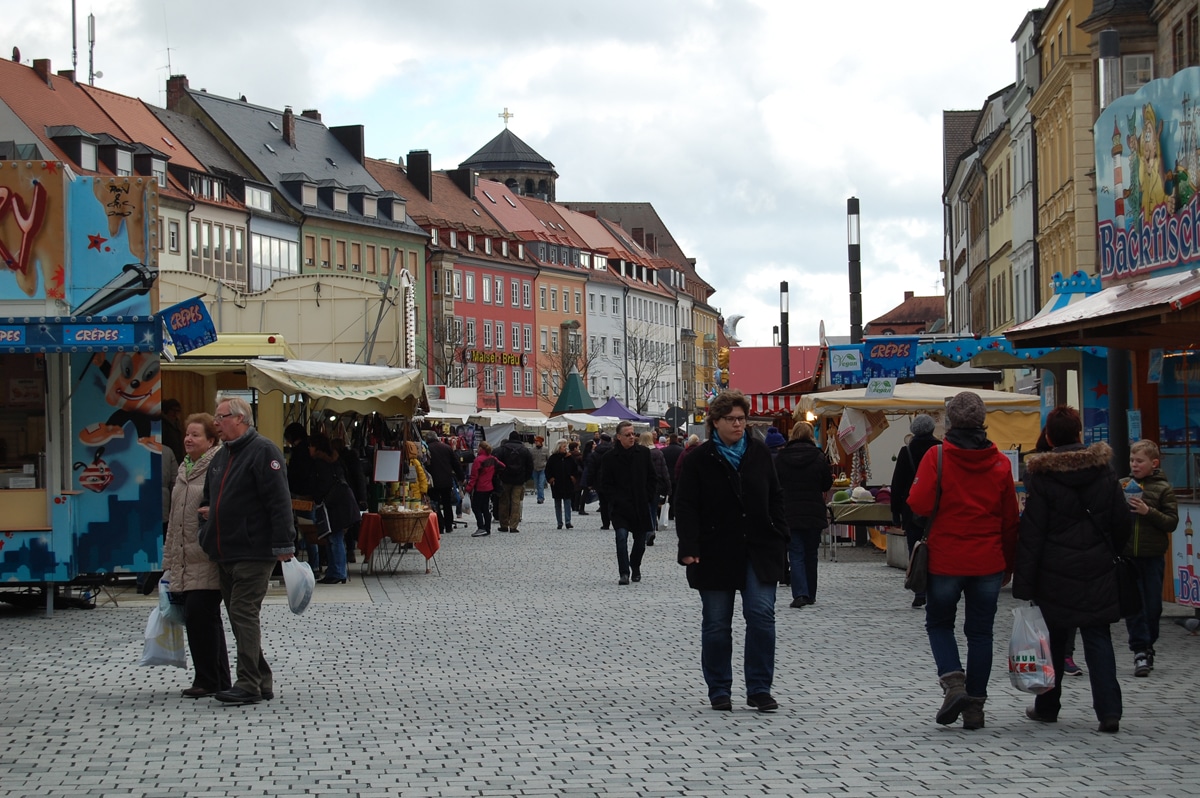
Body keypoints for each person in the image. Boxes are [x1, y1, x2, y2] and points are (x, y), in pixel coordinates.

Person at [1013, 406, 1133, 733]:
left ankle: (1048, 707)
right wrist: (1110, 550)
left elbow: (1033, 531)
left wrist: (1023, 582)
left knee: (1054, 640)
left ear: (1049, 437)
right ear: (1079, 434)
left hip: (1054, 570)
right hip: (1098, 566)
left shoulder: (1041, 476)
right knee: (1098, 637)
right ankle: (1109, 712)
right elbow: (1122, 521)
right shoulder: (1104, 471)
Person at [907, 391, 1018, 731]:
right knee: (981, 633)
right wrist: (1009, 564)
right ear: (983, 421)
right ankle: (975, 707)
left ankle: (954, 683)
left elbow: (919, 504)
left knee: (939, 623)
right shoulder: (1000, 464)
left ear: (950, 422)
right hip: (988, 560)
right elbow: (1011, 520)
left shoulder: (936, 458)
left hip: (946, 558)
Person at [676, 391, 788, 712]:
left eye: (742, 419)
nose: (738, 424)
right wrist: (689, 547)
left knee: (762, 615)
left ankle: (759, 688)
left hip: (760, 547)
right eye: (731, 419)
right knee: (716, 623)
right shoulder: (700, 459)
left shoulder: (760, 454)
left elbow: (776, 496)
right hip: (714, 551)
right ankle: (719, 688)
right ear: (715, 422)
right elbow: (685, 506)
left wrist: (781, 534)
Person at [198, 396, 295, 705]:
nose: (216, 423)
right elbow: (208, 497)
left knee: (243, 613)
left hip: (254, 551)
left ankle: (249, 683)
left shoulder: (264, 452)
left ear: (239, 419)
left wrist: (284, 545)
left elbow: (279, 502)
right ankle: (261, 679)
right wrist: (206, 527)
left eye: (221, 417)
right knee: (239, 616)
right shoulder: (221, 456)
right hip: (225, 552)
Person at [162, 412, 230, 698]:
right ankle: (216, 677)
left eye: (196, 435)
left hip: (206, 558)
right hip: (184, 559)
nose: (189, 439)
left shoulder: (217, 468)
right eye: (187, 434)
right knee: (201, 618)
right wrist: (168, 562)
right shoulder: (184, 470)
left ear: (211, 440)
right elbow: (175, 520)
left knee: (201, 617)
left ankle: (208, 679)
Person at [1122, 438, 1178, 677]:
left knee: (1153, 606)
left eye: (1140, 461)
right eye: (1132, 460)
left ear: (1153, 463)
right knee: (1133, 605)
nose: (1135, 465)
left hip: (1152, 556)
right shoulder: (1123, 485)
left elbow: (1172, 522)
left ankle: (1149, 644)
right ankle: (1139, 651)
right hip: (1128, 557)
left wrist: (1148, 511)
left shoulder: (1163, 489)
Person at [774, 421, 833, 608]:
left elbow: (775, 484)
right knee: (811, 554)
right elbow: (826, 483)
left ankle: (800, 594)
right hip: (813, 512)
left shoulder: (781, 457)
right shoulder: (819, 457)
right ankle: (811, 594)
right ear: (810, 436)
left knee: (796, 553)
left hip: (789, 512)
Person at [889, 414, 941, 609]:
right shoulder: (941, 450)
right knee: (936, 549)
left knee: (916, 549)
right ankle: (935, 589)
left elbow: (897, 483)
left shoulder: (907, 451)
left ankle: (920, 591)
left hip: (912, 509)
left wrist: (895, 512)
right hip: (937, 509)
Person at [601, 421, 658, 584]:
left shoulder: (643, 453)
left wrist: (648, 495)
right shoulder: (609, 458)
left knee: (640, 543)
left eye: (634, 434)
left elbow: (652, 478)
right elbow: (605, 484)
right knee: (621, 537)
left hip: (640, 505)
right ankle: (624, 572)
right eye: (628, 435)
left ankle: (635, 565)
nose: (632, 437)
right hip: (620, 507)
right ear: (619, 437)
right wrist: (614, 499)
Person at [307, 432, 359, 585]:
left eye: (310, 446)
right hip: (341, 501)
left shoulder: (322, 463)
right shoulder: (335, 460)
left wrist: (316, 496)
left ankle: (337, 572)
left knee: (334, 538)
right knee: (333, 537)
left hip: (335, 504)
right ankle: (334, 571)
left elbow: (323, 485)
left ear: (317, 447)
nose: (309, 449)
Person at [283, 422, 321, 576]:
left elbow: (296, 475)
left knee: (307, 530)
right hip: (311, 494)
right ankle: (315, 564)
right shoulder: (309, 449)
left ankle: (314, 565)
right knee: (311, 530)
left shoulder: (299, 452)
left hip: (301, 495)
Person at [332, 438, 368, 562]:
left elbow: (359, 478)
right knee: (350, 524)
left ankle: (355, 549)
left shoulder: (346, 460)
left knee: (351, 525)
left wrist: (362, 498)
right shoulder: (349, 459)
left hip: (351, 495)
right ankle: (352, 550)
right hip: (351, 495)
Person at [424, 431, 464, 538]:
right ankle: (449, 525)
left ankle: (440, 525)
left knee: (435, 503)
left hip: (433, 481)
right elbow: (456, 464)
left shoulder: (427, 448)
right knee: (447, 503)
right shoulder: (447, 447)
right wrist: (461, 477)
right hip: (446, 480)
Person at [494, 431, 533, 533]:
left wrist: (499, 476)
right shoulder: (525, 450)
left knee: (503, 502)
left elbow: (496, 464)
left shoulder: (502, 450)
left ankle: (504, 524)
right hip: (519, 480)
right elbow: (530, 466)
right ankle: (513, 526)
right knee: (516, 502)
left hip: (505, 479)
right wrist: (525, 478)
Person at [641, 430, 671, 544]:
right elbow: (664, 471)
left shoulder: (638, 453)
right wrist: (668, 488)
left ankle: (645, 532)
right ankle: (651, 531)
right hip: (656, 486)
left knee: (643, 510)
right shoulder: (658, 453)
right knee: (653, 510)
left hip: (642, 486)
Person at [466, 441, 502, 537]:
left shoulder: (478, 460)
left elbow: (474, 476)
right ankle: (487, 528)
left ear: (481, 449)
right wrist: (493, 473)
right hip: (489, 486)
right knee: (485, 508)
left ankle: (481, 527)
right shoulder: (492, 459)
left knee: (476, 507)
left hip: (480, 487)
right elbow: (502, 466)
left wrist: (468, 488)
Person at [545, 439, 579, 529]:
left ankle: (568, 521)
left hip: (567, 483)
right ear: (559, 448)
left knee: (567, 502)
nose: (565, 449)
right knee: (557, 503)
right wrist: (551, 479)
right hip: (557, 484)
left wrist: (573, 477)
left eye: (566, 447)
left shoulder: (569, 458)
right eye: (564, 447)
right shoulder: (553, 458)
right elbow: (548, 470)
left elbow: (575, 469)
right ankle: (559, 522)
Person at [586, 432, 614, 529]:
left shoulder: (596, 453)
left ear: (601, 441)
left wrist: (589, 483)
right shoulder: (613, 451)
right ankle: (613, 519)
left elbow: (591, 469)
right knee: (612, 501)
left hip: (600, 481)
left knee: (603, 503)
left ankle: (605, 524)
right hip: (612, 480)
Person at [661, 433, 685, 525]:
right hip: (677, 476)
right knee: (675, 495)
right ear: (677, 439)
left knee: (667, 495)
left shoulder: (664, 451)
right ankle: (673, 512)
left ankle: (666, 513)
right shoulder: (681, 451)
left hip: (666, 476)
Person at [161, 398, 185, 463]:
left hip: (177, 458)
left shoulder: (177, 424)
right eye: (173, 410)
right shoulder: (163, 424)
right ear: (167, 410)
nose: (175, 413)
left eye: (177, 411)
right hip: (166, 458)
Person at [530, 436, 550, 504]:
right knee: (536, 484)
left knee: (541, 484)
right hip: (535, 469)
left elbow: (548, 459)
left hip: (543, 469)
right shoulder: (532, 450)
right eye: (535, 441)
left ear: (541, 442)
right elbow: (531, 459)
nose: (536, 443)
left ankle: (540, 498)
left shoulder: (545, 449)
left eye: (537, 441)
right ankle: (540, 496)